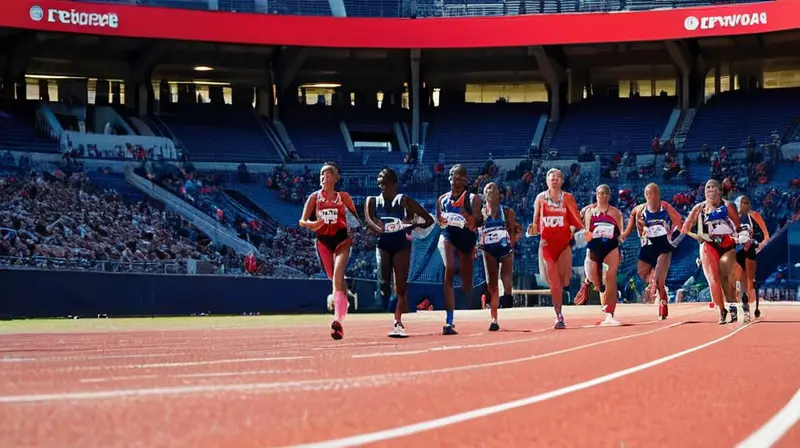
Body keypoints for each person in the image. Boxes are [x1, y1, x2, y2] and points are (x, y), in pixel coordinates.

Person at [364, 168, 434, 338]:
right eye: (380, 183)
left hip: (401, 245)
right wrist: (378, 227)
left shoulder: (403, 201)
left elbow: (428, 220)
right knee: (383, 283)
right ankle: (389, 311)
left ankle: (398, 322)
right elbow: (368, 219)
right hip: (383, 244)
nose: (382, 186)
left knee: (401, 286)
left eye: (386, 183)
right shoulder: (372, 201)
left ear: (394, 185)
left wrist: (410, 223)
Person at [299, 163, 362, 340]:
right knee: (333, 276)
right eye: (322, 175)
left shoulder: (344, 197)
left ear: (335, 178)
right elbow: (302, 221)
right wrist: (313, 224)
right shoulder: (314, 197)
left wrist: (355, 228)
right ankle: (344, 301)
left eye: (328, 175)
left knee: (337, 275)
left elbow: (356, 218)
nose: (324, 178)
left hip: (342, 239)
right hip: (323, 241)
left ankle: (338, 321)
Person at [527, 168, 583, 329]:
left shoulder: (568, 198)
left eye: (558, 177)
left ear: (562, 181)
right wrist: (533, 229)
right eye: (552, 177)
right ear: (546, 180)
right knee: (555, 283)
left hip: (564, 244)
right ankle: (559, 316)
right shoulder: (540, 198)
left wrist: (571, 229)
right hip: (547, 245)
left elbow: (576, 221)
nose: (555, 179)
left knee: (564, 280)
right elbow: (536, 222)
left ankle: (560, 308)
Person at [683, 179, 743, 324]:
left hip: (727, 244)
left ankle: (732, 305)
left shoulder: (728, 206)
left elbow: (738, 226)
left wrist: (739, 236)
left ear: (720, 191)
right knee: (712, 278)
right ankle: (722, 310)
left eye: (713, 187)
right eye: (707, 187)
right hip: (708, 244)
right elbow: (685, 228)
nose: (710, 190)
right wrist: (697, 236)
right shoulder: (699, 208)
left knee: (727, 277)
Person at [620, 183, 684, 320]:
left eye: (653, 192)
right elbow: (631, 218)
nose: (650, 195)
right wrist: (624, 235)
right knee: (642, 273)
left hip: (663, 245)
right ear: (645, 195)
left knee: (659, 279)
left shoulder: (665, 207)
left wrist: (673, 232)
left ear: (658, 195)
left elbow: (679, 221)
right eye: (647, 193)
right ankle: (654, 283)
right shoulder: (640, 209)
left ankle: (663, 300)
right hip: (647, 245)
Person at [437, 164, 483, 335]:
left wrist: (469, 218)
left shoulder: (473, 199)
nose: (452, 179)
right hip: (449, 235)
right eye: (450, 176)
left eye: (456, 176)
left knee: (466, 283)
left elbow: (477, 222)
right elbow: (439, 221)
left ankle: (468, 309)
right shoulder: (442, 199)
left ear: (464, 180)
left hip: (467, 239)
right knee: (449, 269)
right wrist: (443, 221)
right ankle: (449, 321)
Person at [478, 182, 522, 331]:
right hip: (488, 250)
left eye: (493, 189)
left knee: (506, 277)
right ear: (484, 195)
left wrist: (513, 243)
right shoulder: (480, 213)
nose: (490, 191)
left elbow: (515, 230)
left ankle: (508, 301)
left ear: (499, 194)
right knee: (492, 284)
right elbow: (473, 229)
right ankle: (494, 318)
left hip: (505, 249)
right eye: (487, 190)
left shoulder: (507, 212)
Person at [583, 184, 625, 325]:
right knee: (599, 283)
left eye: (606, 193)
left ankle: (610, 314)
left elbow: (621, 234)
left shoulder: (615, 212)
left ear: (609, 195)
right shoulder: (590, 211)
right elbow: (587, 231)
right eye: (600, 193)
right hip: (595, 246)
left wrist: (620, 244)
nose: (603, 195)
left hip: (610, 246)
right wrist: (590, 237)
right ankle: (591, 283)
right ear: (596, 194)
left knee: (610, 278)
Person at [734, 195, 770, 320]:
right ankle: (742, 304)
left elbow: (766, 236)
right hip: (737, 250)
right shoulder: (732, 218)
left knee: (750, 279)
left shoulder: (754, 215)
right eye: (741, 202)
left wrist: (759, 246)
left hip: (750, 250)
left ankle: (748, 306)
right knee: (739, 278)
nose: (743, 205)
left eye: (746, 203)